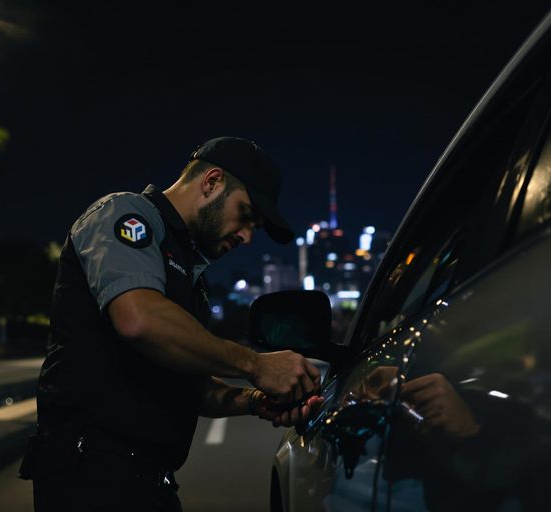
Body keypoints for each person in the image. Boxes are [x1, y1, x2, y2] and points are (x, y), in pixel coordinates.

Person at [19, 137, 324, 511]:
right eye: (246, 215)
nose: (246, 236)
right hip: (92, 473)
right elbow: (139, 320)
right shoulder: (126, 214)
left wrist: (255, 401)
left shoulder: (191, 275)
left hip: (147, 482)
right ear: (211, 182)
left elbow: (183, 384)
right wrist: (256, 365)